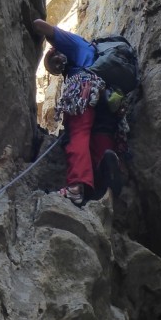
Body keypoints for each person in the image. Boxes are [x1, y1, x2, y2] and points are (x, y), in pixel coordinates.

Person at [33, 18, 125, 206]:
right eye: (54, 69)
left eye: (55, 60)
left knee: (78, 134)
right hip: (106, 96)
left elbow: (39, 25)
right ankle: (104, 184)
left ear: (58, 51)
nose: (58, 67)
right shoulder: (94, 56)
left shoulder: (73, 44)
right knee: (101, 136)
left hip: (83, 90)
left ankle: (76, 187)